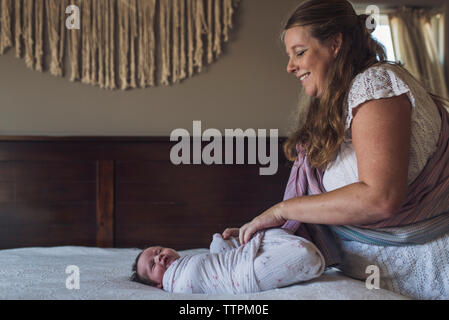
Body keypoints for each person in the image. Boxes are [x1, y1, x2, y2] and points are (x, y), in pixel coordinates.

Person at [223, 0, 449, 299]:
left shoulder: (374, 85)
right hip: (373, 275)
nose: (290, 66)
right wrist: (265, 239)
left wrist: (281, 211)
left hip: (421, 273)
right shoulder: (344, 100)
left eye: (300, 52)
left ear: (335, 43)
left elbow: (380, 198)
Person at [130, 228, 325, 294]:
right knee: (304, 253)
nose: (159, 257)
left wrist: (228, 240)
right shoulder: (176, 285)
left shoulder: (189, 260)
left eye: (158, 250)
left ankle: (255, 237)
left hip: (236, 261)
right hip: (245, 277)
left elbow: (218, 260)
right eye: (153, 265)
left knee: (221, 241)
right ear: (157, 284)